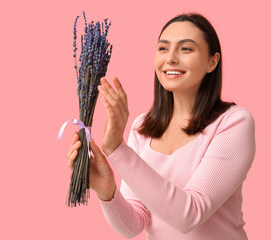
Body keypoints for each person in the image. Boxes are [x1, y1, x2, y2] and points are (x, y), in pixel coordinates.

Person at [66, 13, 255, 239]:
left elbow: (189, 216)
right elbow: (133, 225)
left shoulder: (234, 122)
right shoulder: (142, 127)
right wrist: (107, 191)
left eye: (186, 49)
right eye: (163, 48)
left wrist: (118, 149)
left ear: (212, 62)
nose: (171, 59)